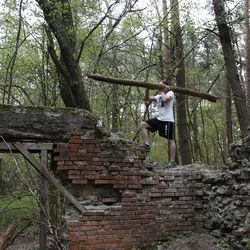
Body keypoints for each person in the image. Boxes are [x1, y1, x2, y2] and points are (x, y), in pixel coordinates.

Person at [139, 80, 177, 168]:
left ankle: (172, 162)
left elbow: (165, 99)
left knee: (170, 140)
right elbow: (147, 98)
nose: (158, 87)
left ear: (166, 86)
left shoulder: (170, 92)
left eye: (160, 85)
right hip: (159, 119)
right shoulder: (159, 96)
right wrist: (147, 88)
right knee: (143, 125)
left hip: (168, 120)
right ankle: (146, 144)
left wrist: (162, 91)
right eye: (158, 85)